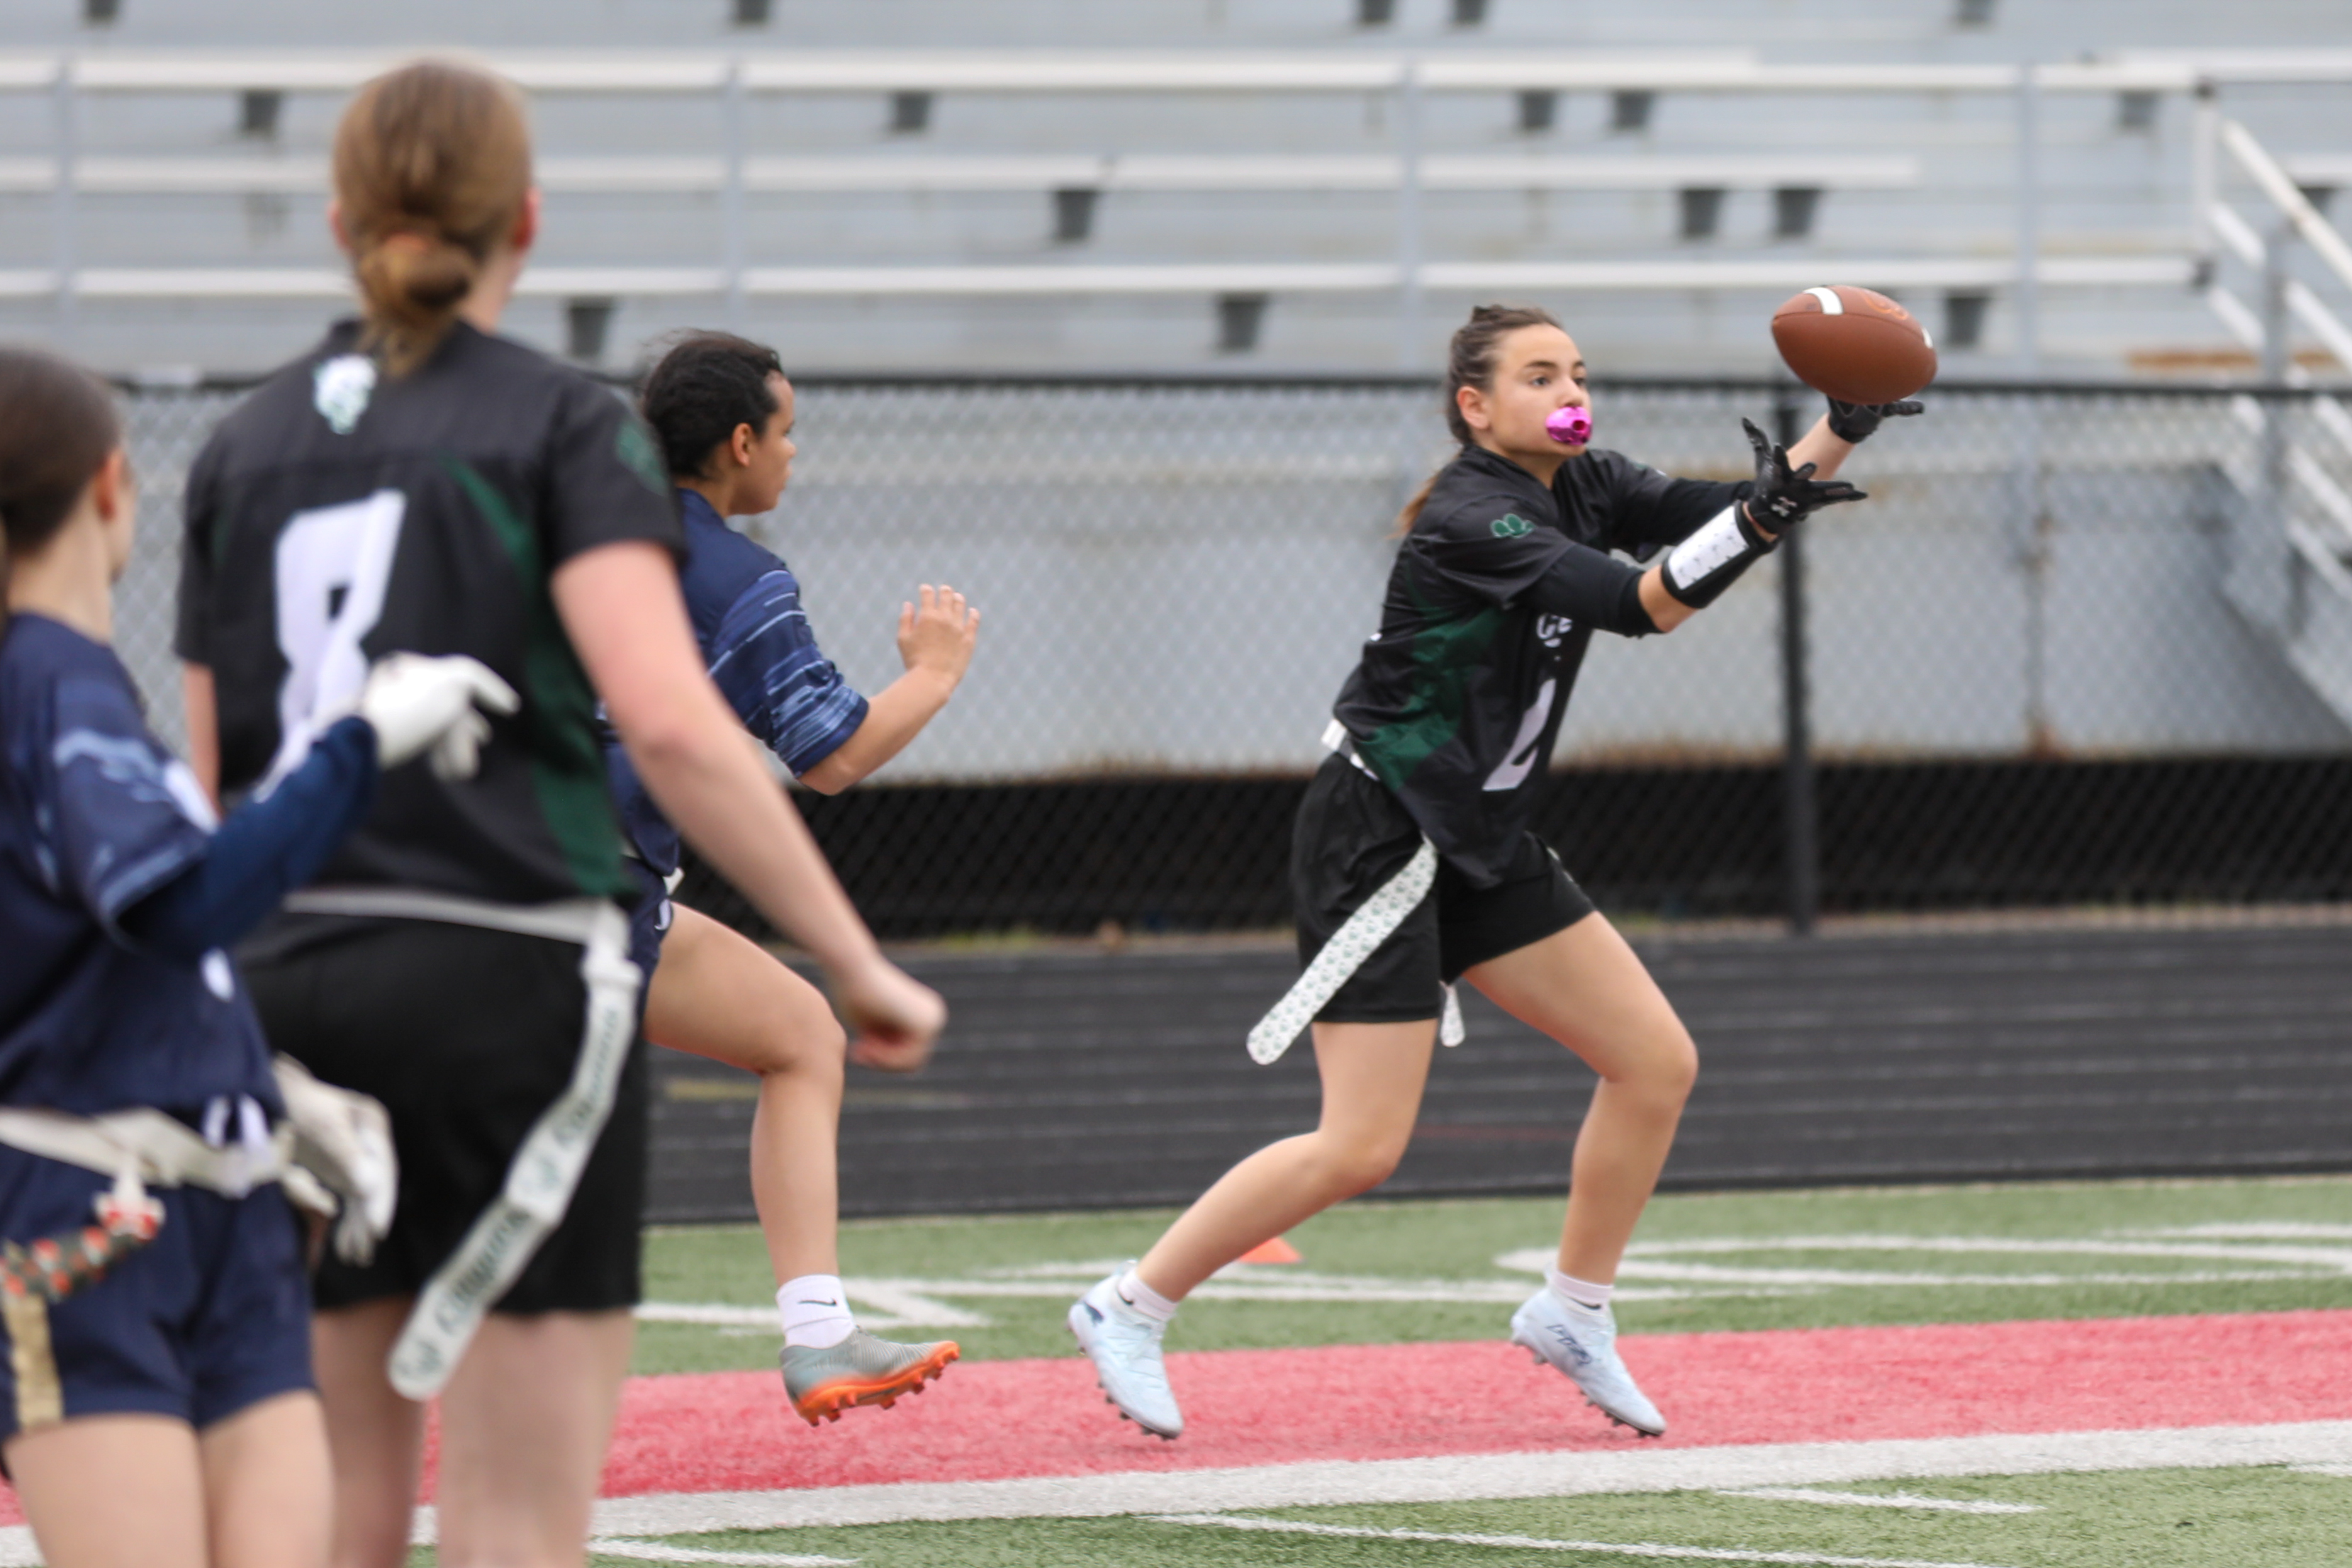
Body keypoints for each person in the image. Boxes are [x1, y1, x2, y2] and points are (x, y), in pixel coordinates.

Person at [174, 61, 943, 1568]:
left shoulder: (243, 447)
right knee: (514, 1509)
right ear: (525, 220)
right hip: (515, 965)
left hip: (299, 969)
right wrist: (853, 954)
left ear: (339, 220)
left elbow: (217, 780)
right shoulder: (562, 432)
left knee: (341, 1495)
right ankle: (813, 1325)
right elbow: (671, 720)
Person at [1068, 303, 1917, 1442]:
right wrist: (1766, 508)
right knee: (1361, 1145)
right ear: (1476, 407)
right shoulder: (1472, 515)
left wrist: (1840, 429)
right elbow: (1640, 604)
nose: (1571, 391)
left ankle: (1572, 1309)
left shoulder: (1585, 477)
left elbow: (1726, 517)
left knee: (1653, 1063)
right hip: (1383, 826)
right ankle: (1126, 1304)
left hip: (1481, 831)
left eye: (1576, 370)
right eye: (1537, 375)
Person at [0, 345, 508, 1568]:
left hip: (212, 1209)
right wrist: (358, 746)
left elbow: (101, 960)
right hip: (92, 1217)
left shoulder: (71, 687)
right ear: (114, 487)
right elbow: (177, 904)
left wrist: (260, 1093)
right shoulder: (47, 682)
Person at [612, 331, 979, 1426]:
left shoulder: (558, 539)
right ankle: (816, 1335)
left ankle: (823, 1335)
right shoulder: (737, 576)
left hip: (449, 874)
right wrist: (935, 673)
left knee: (799, 1033)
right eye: (785, 430)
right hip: (587, 897)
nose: (793, 452)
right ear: (737, 444)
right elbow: (834, 754)